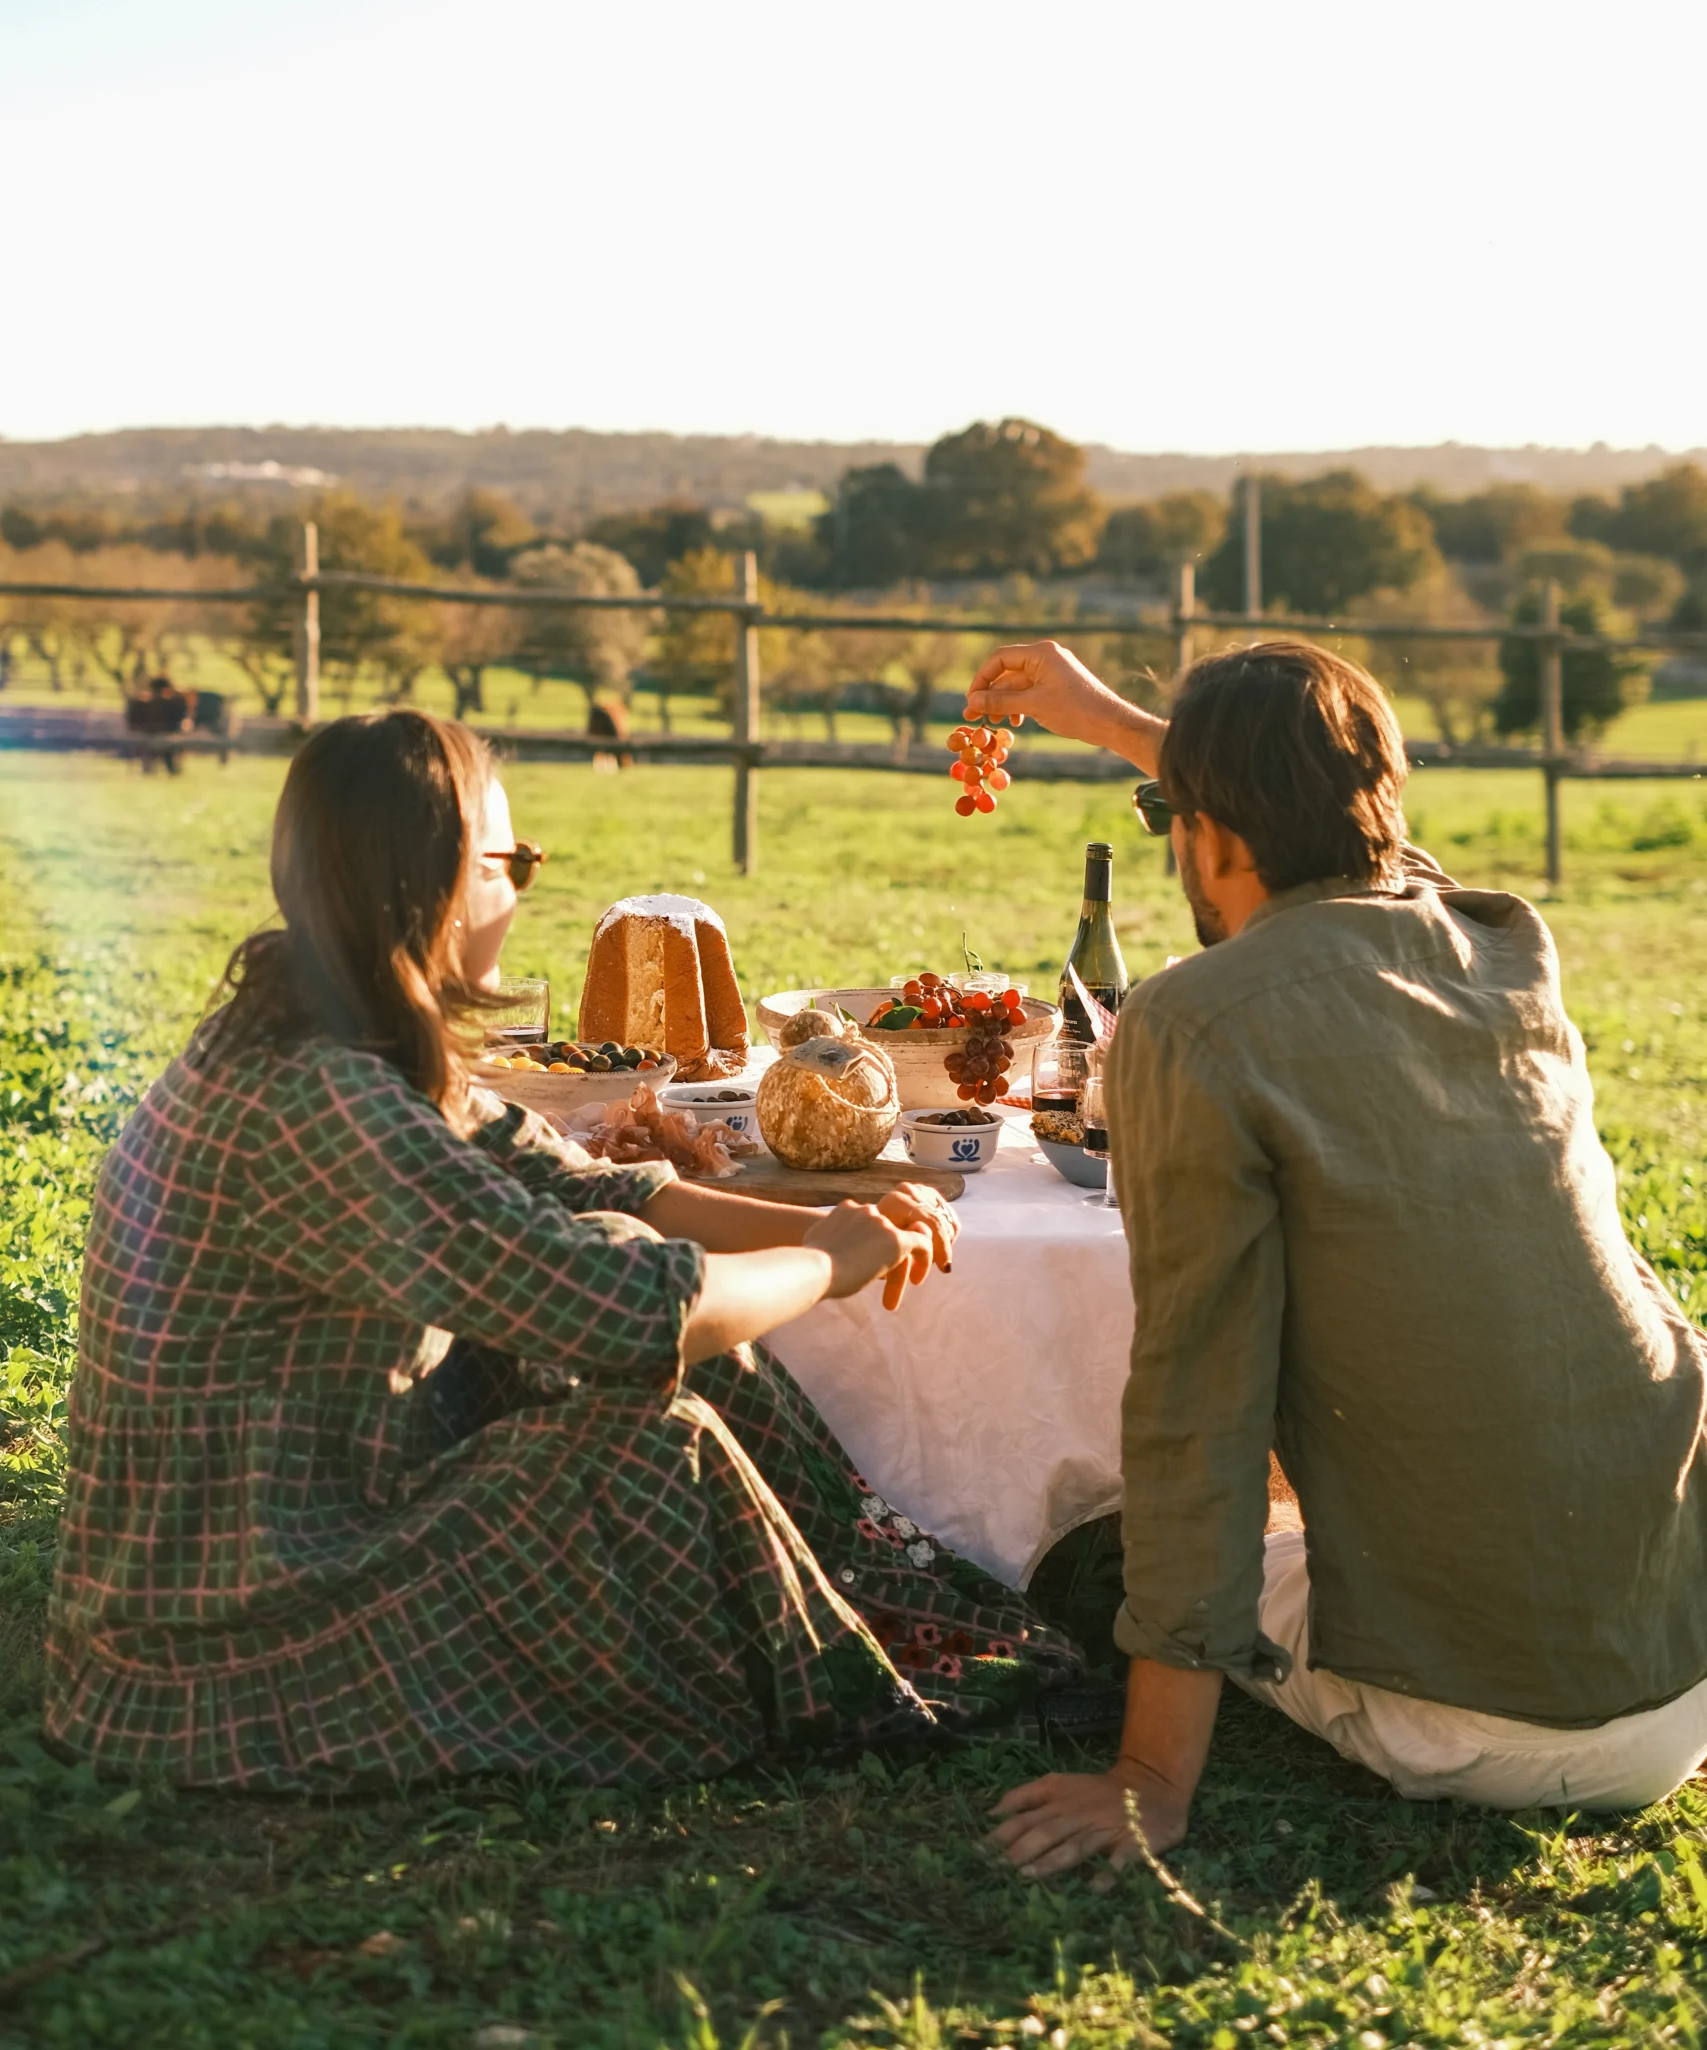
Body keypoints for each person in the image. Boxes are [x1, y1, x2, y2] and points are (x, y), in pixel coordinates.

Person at [45, 709, 1076, 1793]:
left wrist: (829, 1225)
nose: (522, 888)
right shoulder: (318, 1098)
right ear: (442, 884)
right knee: (647, 1444)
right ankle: (844, 1663)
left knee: (629, 1256)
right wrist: (829, 1265)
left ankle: (881, 1610)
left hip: (305, 1520)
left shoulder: (329, 1024)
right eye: (514, 862)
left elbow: (584, 1185)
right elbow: (624, 1306)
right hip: (211, 1645)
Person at [958, 638, 1707, 1875]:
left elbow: (1200, 1401)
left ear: (1207, 834)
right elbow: (1368, 852)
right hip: (1681, 1656)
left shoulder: (1191, 1019)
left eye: (1172, 819)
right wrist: (1127, 729)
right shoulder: (1500, 942)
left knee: (1083, 1543)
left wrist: (1148, 1780)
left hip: (1489, 1723)